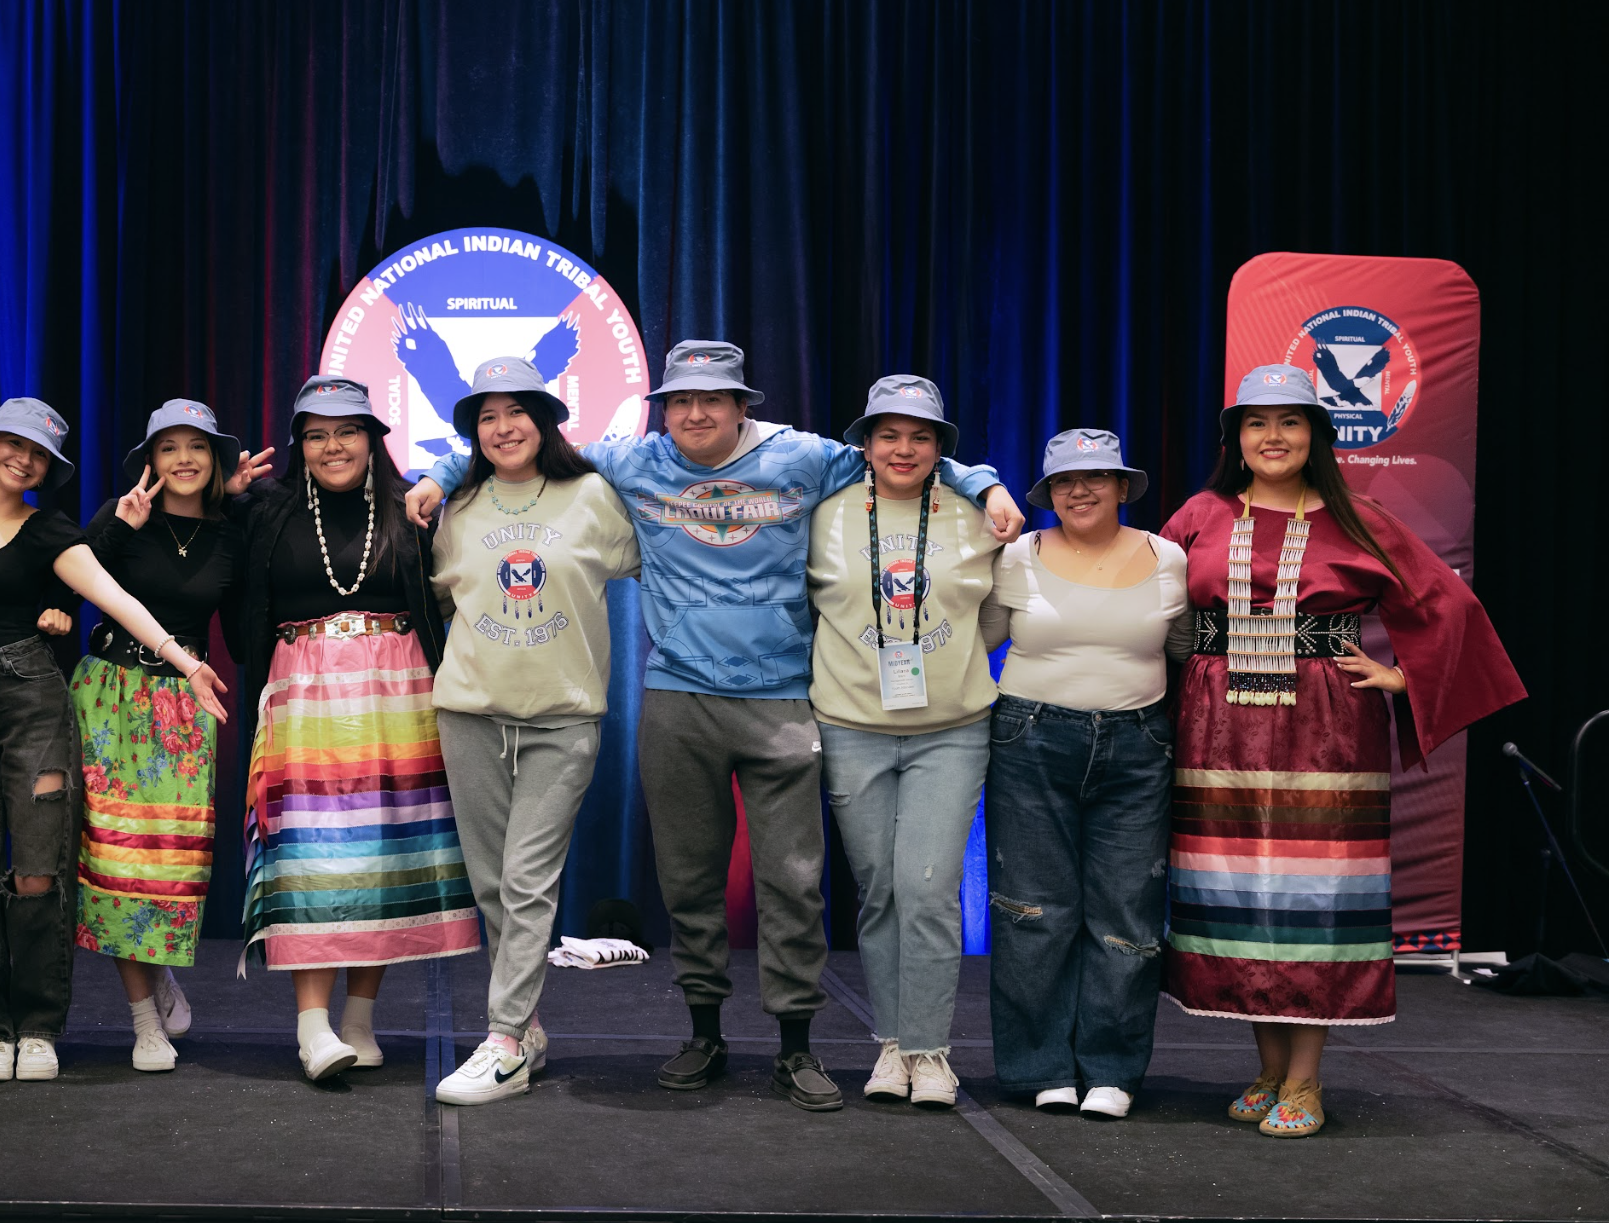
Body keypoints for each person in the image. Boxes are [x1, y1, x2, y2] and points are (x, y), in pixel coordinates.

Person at [410, 342, 1023, 1111]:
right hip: (678, 701)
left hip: (783, 702)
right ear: (663, 410)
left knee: (794, 884)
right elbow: (525, 445)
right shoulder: (633, 462)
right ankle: (704, 1034)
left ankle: (796, 1047)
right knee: (688, 881)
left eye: (712, 399)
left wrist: (984, 480)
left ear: (742, 406)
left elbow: (900, 455)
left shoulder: (803, 457)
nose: (695, 413)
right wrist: (439, 474)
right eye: (680, 401)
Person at [1161, 365, 1523, 1137]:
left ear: (1318, 436)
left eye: (1290, 421)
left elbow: (1447, 602)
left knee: (1316, 896)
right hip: (1217, 727)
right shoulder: (1200, 514)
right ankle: (1266, 1067)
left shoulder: (1360, 518)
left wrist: (1401, 676)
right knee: (1239, 894)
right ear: (1235, 438)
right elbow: (1146, 604)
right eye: (1256, 423)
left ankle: (1305, 1079)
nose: (1273, 437)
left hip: (1326, 726)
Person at [0, 397, 231, 1085]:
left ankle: (37, 1029)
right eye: (14, 444)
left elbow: (113, 595)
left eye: (39, 454)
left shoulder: (48, 530)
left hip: (32, 698)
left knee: (40, 867)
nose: (24, 459)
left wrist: (186, 663)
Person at [237, 375, 481, 1082]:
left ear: (373, 438)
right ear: (299, 445)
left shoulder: (412, 505)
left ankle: (359, 1022)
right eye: (316, 434)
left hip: (399, 694)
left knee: (383, 857)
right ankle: (312, 1027)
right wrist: (228, 495)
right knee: (311, 857)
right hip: (304, 693)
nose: (333, 446)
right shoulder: (268, 509)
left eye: (348, 431)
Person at [425, 358, 641, 1105]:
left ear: (545, 421)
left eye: (517, 411)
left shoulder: (593, 496)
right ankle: (527, 1027)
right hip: (470, 714)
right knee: (493, 884)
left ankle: (505, 1042)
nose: (503, 427)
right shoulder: (457, 507)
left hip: (563, 718)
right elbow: (438, 600)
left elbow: (659, 565)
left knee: (527, 879)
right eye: (487, 417)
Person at [978, 429, 1190, 1120]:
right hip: (1030, 740)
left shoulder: (1168, 557)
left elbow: (1188, 649)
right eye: (1065, 481)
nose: (1080, 490)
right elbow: (978, 638)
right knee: (1032, 911)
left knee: (1127, 914)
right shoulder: (1017, 555)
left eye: (1096, 476)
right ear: (1048, 494)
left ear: (1122, 486)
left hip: (1139, 746)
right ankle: (1041, 1068)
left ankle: (1112, 1071)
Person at [806, 375, 1006, 1109]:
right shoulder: (823, 513)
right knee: (881, 891)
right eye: (888, 434)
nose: (904, 448)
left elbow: (996, 614)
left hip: (950, 732)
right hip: (850, 727)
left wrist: (947, 663)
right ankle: (892, 1045)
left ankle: (930, 1050)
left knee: (927, 889)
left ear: (941, 448)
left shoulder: (976, 514)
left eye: (921, 436)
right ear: (864, 443)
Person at [73, 400, 268, 1073]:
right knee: (116, 857)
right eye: (169, 447)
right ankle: (142, 1020)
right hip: (109, 694)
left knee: (169, 863)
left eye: (198, 447)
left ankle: (159, 970)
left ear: (216, 459)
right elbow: (69, 582)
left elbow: (241, 634)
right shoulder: (124, 515)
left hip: (184, 704)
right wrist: (114, 529)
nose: (184, 459)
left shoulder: (230, 534)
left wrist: (241, 503)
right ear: (151, 460)